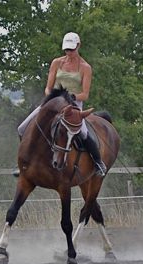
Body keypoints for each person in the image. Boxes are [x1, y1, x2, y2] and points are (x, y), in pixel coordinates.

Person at [13, 32, 107, 177]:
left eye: (71, 49)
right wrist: (51, 96)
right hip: (53, 103)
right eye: (66, 49)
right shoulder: (56, 62)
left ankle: (98, 162)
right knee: (22, 128)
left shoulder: (85, 67)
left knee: (83, 132)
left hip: (73, 104)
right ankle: (23, 161)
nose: (69, 52)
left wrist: (72, 97)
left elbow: (85, 94)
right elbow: (48, 87)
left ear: (78, 46)